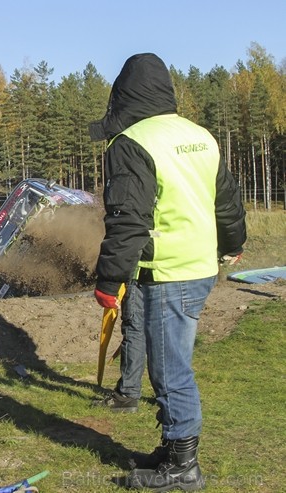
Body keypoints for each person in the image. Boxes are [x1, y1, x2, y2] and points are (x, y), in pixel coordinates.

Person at [89, 53, 246, 491]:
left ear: (123, 93)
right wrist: (233, 245)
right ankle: (173, 447)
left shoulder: (131, 141)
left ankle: (182, 468)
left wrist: (108, 280)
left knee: (170, 370)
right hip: (199, 271)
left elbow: (127, 219)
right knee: (171, 364)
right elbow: (227, 202)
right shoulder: (199, 136)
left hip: (166, 273)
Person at [93, 281, 146, 413]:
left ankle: (127, 394)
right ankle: (172, 393)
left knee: (135, 332)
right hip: (183, 278)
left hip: (141, 278)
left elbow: (120, 260)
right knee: (166, 331)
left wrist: (108, 286)